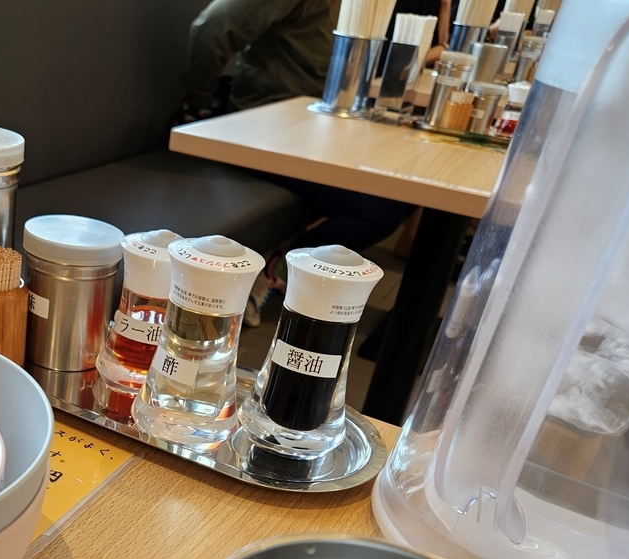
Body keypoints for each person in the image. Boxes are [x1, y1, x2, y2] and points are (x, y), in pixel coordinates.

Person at [180, 0, 439, 325]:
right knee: (379, 210)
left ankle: (284, 261)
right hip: (263, 129)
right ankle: (278, 268)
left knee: (405, 190)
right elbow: (212, 27)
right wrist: (200, 105)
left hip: (317, 130)